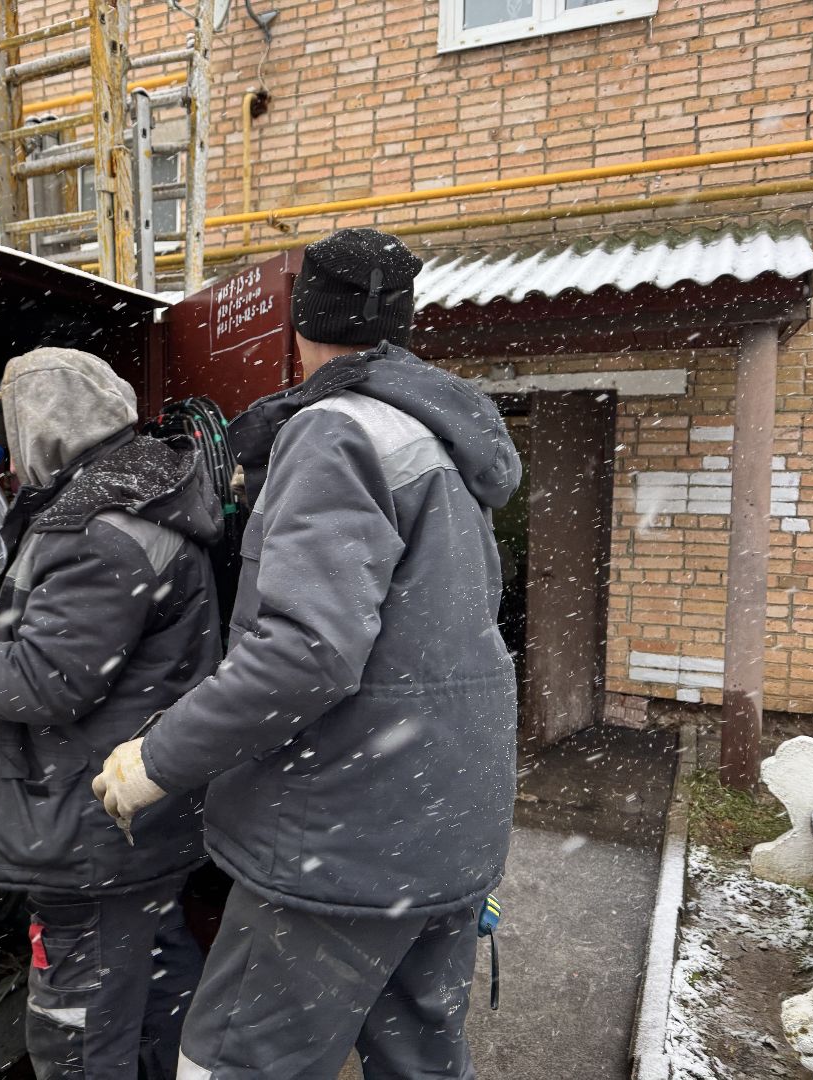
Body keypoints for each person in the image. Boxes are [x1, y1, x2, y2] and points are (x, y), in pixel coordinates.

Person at [92, 228, 522, 1080]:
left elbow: (307, 654)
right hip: (444, 829)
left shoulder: (334, 432)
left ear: (301, 325)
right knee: (421, 1063)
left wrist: (158, 757)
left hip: (341, 843)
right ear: (401, 326)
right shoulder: (441, 438)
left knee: (235, 1063)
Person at [0, 346, 223, 1080]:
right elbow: (104, 642)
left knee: (76, 1043)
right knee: (157, 1000)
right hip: (141, 823)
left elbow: (48, 681)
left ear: (37, 424)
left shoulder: (96, 526)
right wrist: (0, 624)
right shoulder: (137, 496)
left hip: (89, 834)